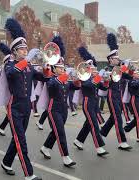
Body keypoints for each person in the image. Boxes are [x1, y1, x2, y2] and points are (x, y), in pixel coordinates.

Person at [1, 18, 44, 180]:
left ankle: (6, 162)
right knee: (21, 141)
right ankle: (29, 174)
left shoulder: (29, 66)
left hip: (26, 107)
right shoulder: (10, 65)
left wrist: (47, 68)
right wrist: (27, 60)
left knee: (17, 138)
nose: (25, 51)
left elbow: (42, 78)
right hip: (15, 108)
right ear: (14, 52)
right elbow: (11, 74)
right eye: (22, 50)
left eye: (26, 49)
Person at [39, 36, 79, 167]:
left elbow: (77, 86)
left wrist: (79, 77)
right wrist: (63, 76)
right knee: (60, 132)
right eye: (60, 68)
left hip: (63, 110)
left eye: (63, 68)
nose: (63, 70)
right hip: (53, 109)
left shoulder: (65, 80)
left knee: (55, 131)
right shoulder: (51, 79)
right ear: (55, 69)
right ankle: (66, 157)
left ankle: (45, 147)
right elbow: (52, 85)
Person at [73, 46, 109, 156]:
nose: (94, 71)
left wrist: (106, 81)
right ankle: (99, 147)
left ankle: (78, 140)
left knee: (88, 124)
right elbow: (88, 86)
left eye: (94, 69)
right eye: (92, 69)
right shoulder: (84, 78)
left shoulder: (94, 78)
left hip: (94, 103)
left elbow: (103, 88)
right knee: (94, 124)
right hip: (87, 103)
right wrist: (97, 77)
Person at [100, 33, 132, 150]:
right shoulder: (107, 70)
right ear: (110, 59)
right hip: (111, 95)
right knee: (118, 118)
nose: (118, 59)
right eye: (116, 58)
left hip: (119, 95)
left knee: (113, 118)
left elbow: (128, 77)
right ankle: (122, 141)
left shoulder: (118, 68)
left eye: (118, 57)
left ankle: (102, 133)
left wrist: (133, 71)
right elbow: (107, 81)